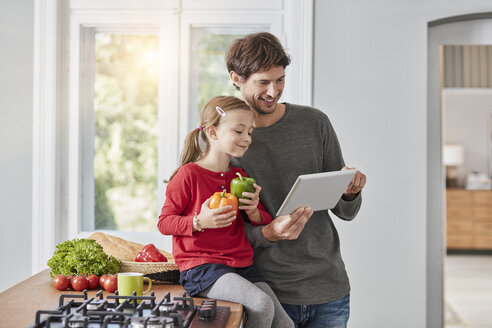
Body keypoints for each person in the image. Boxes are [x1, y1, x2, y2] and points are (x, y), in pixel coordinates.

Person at [226, 32, 367, 327]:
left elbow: (345, 212)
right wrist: (268, 233)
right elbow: (222, 236)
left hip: (329, 289)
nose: (273, 91)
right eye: (263, 82)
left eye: (280, 80)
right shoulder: (226, 142)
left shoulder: (315, 123)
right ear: (236, 78)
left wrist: (350, 192)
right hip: (266, 294)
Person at [157, 95, 294, 328]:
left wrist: (253, 211)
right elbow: (164, 222)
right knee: (261, 304)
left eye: (249, 132)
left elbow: (264, 220)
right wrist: (199, 221)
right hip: (202, 267)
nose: (247, 138)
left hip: (241, 264)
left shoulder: (239, 177)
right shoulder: (188, 175)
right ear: (212, 133)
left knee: (285, 324)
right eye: (239, 131)